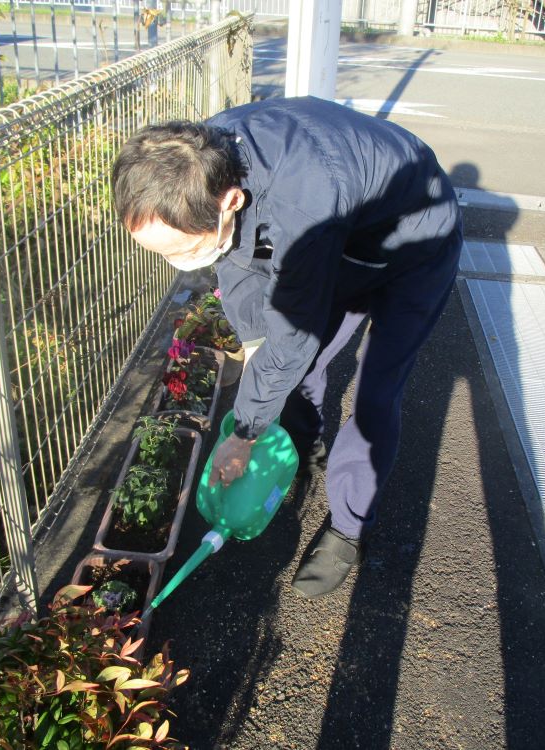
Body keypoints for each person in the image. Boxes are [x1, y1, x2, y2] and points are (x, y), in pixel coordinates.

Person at [112, 96, 463, 598]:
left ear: (230, 200)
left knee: (376, 391)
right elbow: (239, 263)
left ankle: (348, 525)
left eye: (184, 250)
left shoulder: (303, 198)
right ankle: (304, 443)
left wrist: (244, 432)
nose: (177, 264)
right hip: (345, 237)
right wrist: (255, 344)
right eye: (161, 251)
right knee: (287, 365)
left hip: (414, 245)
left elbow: (293, 334)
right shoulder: (197, 158)